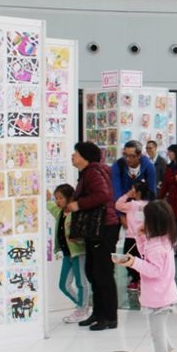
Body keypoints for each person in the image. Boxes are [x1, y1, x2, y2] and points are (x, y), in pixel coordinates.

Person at [116, 200, 177, 352]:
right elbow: (146, 253)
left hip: (158, 298)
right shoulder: (164, 240)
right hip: (164, 294)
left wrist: (133, 262)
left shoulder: (157, 247)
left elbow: (154, 270)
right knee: (161, 332)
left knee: (157, 335)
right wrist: (140, 237)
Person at [67, 141, 121, 331]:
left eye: (76, 153)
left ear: (85, 157)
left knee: (102, 273)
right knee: (92, 271)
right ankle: (98, 313)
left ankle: (109, 317)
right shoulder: (89, 172)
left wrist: (78, 204)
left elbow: (103, 195)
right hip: (97, 228)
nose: (72, 156)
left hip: (104, 228)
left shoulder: (92, 172)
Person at [48, 184, 89, 323]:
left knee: (81, 282)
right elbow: (50, 206)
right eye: (56, 198)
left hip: (79, 253)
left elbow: (84, 233)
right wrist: (47, 198)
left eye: (60, 198)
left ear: (70, 198)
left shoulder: (76, 213)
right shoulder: (59, 213)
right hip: (67, 255)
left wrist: (78, 239)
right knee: (64, 285)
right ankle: (83, 306)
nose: (57, 201)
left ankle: (82, 309)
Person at [115, 184, 150, 292]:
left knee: (127, 258)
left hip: (131, 237)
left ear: (138, 192)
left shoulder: (132, 205)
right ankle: (141, 280)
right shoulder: (148, 205)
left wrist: (127, 195)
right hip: (144, 238)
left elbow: (118, 205)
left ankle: (136, 280)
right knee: (141, 259)